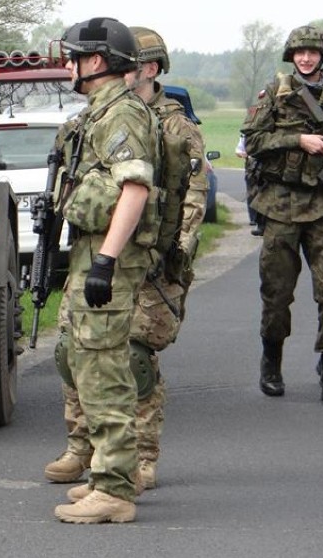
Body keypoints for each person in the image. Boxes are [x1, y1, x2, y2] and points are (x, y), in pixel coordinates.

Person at [44, 26, 208, 494]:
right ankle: (86, 449)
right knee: (78, 352)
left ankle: (136, 460)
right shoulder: (94, 118)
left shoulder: (158, 123)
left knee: (128, 358)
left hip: (144, 257)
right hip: (101, 248)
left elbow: (185, 199)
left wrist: (160, 256)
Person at [48, 17, 159, 524]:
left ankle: (115, 489)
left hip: (109, 255)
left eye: (74, 56)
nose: (68, 65)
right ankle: (104, 473)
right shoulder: (101, 114)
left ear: (95, 62)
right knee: (82, 360)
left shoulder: (122, 116)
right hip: (91, 250)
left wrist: (107, 262)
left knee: (105, 368)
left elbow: (135, 188)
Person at [241, 25, 323, 405]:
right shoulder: (275, 93)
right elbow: (251, 141)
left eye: (313, 52)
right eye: (300, 52)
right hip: (281, 206)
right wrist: (297, 140)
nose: (306, 58)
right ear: (292, 56)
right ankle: (271, 364)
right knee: (276, 293)